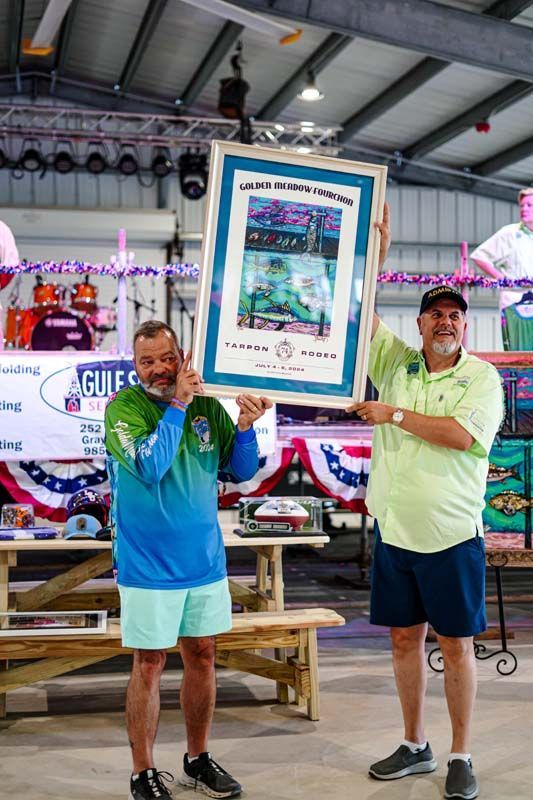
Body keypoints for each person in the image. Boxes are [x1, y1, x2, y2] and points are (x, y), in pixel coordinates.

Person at [348, 203, 503, 800]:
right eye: (436, 313)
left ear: (465, 327)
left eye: (455, 315)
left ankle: (461, 753)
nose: (446, 321)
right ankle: (415, 744)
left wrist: (394, 415)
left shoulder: (480, 378)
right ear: (419, 323)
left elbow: (462, 436)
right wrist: (377, 257)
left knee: (455, 645)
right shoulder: (397, 362)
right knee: (402, 640)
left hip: (452, 535)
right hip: (395, 531)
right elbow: (359, 313)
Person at [105, 320, 272, 800]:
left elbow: (240, 470)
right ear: (134, 366)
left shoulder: (207, 407)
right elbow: (150, 466)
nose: (160, 369)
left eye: (167, 358)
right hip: (148, 565)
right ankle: (142, 772)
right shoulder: (123, 408)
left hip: (203, 562)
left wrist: (244, 427)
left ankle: (197, 759)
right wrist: (178, 404)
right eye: (148, 361)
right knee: (149, 663)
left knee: (202, 656)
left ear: (181, 357)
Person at [470, 188, 533, 349]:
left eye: (529, 205)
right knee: (519, 354)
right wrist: (503, 279)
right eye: (522, 206)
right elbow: (479, 256)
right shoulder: (509, 233)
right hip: (515, 302)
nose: (524, 209)